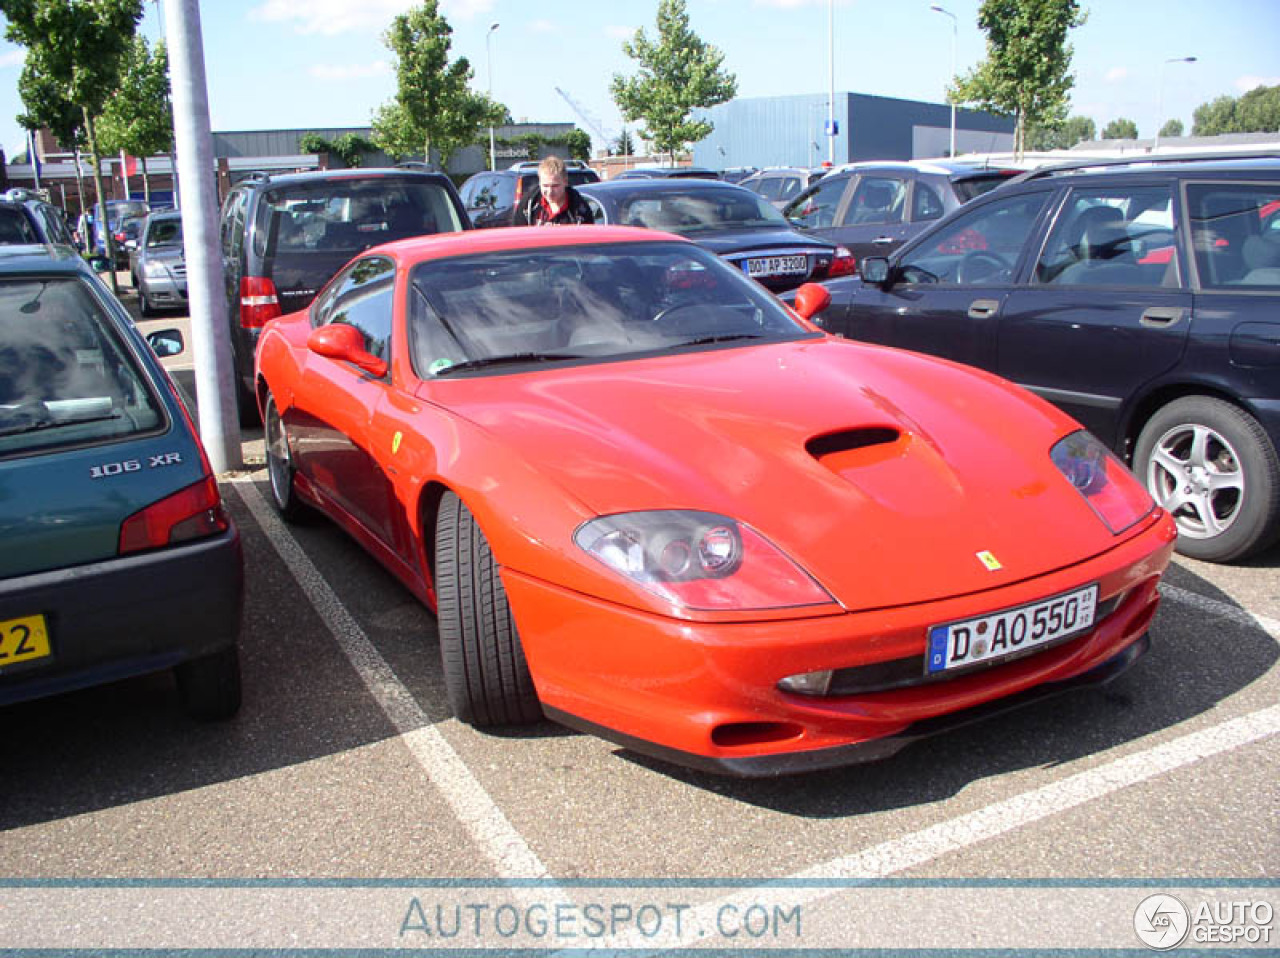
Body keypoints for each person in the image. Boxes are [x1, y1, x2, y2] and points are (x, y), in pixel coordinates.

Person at [511, 156, 594, 227]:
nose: (550, 192)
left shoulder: (580, 209)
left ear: (565, 182)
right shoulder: (529, 204)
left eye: (555, 186)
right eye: (545, 186)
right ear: (539, 182)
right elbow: (518, 234)